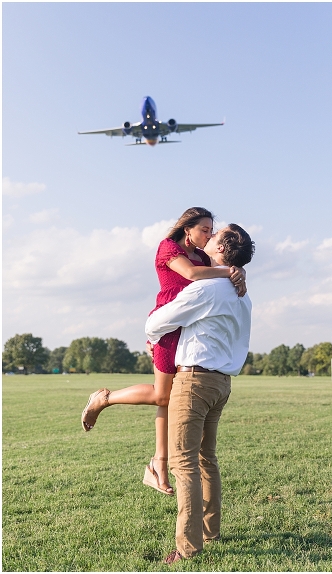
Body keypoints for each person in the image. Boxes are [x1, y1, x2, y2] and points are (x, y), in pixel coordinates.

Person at [81, 207, 246, 496]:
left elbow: (221, 263)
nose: (208, 234)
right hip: (169, 321)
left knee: (169, 397)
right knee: (163, 395)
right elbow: (193, 275)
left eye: (211, 231)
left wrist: (238, 268)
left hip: (187, 325)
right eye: (205, 229)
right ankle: (105, 399)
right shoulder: (168, 248)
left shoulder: (204, 255)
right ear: (188, 229)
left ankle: (159, 463)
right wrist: (230, 271)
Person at [144, 223, 254, 564]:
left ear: (221, 250)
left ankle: (187, 548)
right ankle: (211, 531)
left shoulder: (207, 288)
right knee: (207, 459)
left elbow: (155, 323)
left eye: (215, 234)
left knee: (184, 464)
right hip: (222, 384)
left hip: (194, 382)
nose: (209, 236)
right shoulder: (241, 294)